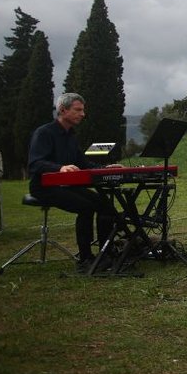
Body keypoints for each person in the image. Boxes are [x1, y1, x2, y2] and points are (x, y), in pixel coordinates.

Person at [27, 92, 119, 271]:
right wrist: (59, 168)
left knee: (105, 204)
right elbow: (35, 163)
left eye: (83, 110)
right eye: (78, 110)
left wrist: (105, 169)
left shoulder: (70, 136)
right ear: (62, 110)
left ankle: (106, 253)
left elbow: (83, 163)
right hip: (44, 187)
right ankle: (85, 259)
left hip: (67, 185)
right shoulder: (44, 133)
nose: (83, 114)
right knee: (85, 207)